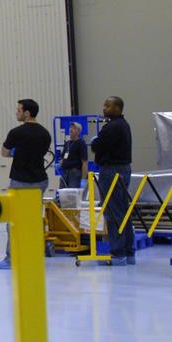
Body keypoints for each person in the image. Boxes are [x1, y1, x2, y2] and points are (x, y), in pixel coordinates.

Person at [0, 98, 52, 270]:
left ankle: (11, 259)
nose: (16, 112)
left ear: (27, 113)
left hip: (21, 181)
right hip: (40, 180)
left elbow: (4, 152)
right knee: (33, 219)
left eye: (18, 110)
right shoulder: (45, 133)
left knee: (15, 221)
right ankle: (35, 255)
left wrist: (16, 152)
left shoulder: (16, 132)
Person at [90, 96, 134, 265]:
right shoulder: (124, 125)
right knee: (123, 210)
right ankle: (129, 252)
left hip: (112, 170)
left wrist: (95, 143)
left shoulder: (112, 127)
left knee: (113, 211)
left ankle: (118, 253)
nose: (104, 108)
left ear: (117, 108)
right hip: (123, 169)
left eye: (107, 105)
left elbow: (97, 146)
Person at [59, 122, 88, 190]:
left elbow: (84, 162)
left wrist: (83, 179)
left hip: (75, 173)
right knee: (62, 194)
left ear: (78, 131)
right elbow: (63, 157)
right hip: (65, 173)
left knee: (72, 195)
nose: (71, 129)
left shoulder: (81, 143)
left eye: (74, 128)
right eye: (70, 127)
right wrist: (60, 163)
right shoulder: (67, 143)